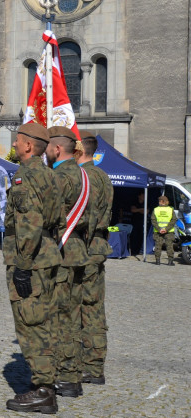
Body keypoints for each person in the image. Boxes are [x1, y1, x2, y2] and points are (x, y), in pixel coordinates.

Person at [3, 122, 64, 414]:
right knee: (46, 321)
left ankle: (43, 390)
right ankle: (46, 383)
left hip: (31, 261)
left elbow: (29, 224)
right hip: (48, 257)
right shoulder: (50, 176)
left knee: (31, 324)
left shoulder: (25, 177)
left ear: (28, 146)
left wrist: (23, 266)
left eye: (18, 141)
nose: (14, 145)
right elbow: (59, 220)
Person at [46, 126, 92, 399]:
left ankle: (63, 376)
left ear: (57, 149)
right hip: (78, 249)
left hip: (60, 250)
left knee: (58, 317)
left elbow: (50, 216)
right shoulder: (84, 175)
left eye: (49, 147)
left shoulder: (59, 176)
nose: (47, 152)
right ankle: (73, 375)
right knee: (73, 316)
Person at [77, 135, 114, 386]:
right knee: (95, 307)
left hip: (85, 246)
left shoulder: (85, 177)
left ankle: (86, 364)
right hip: (99, 245)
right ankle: (96, 363)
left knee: (81, 308)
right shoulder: (104, 177)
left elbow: (84, 217)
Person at [151, 195, 176, 265]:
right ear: (165, 202)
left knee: (158, 246)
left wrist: (159, 229)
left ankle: (157, 261)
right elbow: (174, 220)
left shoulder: (156, 209)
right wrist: (166, 229)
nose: (159, 202)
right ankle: (170, 261)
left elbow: (153, 220)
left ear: (162, 202)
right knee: (169, 245)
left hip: (157, 231)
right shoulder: (171, 210)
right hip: (169, 231)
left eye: (159, 201)